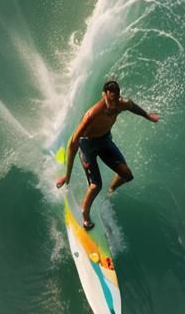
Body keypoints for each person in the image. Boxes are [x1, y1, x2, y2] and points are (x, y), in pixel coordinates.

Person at [55, 78, 159, 229]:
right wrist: (67, 175)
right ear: (104, 95)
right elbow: (73, 144)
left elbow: (133, 107)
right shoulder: (92, 114)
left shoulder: (122, 104)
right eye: (110, 100)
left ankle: (109, 192)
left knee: (127, 175)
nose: (113, 104)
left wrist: (147, 116)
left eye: (116, 100)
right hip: (87, 145)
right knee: (96, 185)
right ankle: (85, 216)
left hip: (104, 141)